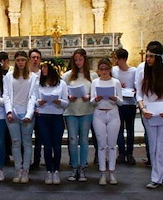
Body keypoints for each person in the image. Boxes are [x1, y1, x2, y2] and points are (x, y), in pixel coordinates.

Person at [62, 49, 98, 182]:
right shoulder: (67, 76)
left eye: (80, 59)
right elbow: (62, 91)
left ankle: (82, 167)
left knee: (83, 139)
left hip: (86, 110)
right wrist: (68, 96)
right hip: (71, 111)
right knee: (72, 139)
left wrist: (89, 96)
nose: (78, 62)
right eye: (76, 60)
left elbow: (96, 92)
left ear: (85, 60)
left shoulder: (92, 76)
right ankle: (74, 167)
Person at [3, 51, 37, 183]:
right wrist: (9, 111)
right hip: (13, 113)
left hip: (27, 113)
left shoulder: (33, 77)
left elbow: (33, 96)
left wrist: (29, 114)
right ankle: (18, 170)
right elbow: (6, 95)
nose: (21, 62)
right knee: (16, 143)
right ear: (15, 61)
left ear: (27, 61)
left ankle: (26, 171)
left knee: (27, 143)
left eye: (23, 60)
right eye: (18, 60)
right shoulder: (9, 76)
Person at [35, 59, 68, 185]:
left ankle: (56, 171)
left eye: (45, 67)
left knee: (57, 145)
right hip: (43, 116)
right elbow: (35, 101)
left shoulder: (62, 84)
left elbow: (66, 103)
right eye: (42, 67)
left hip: (57, 117)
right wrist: (40, 102)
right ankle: (49, 171)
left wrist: (60, 102)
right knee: (47, 145)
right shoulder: (39, 84)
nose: (42, 69)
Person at [91, 58, 123, 185]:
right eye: (101, 69)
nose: (104, 71)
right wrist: (96, 99)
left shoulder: (116, 82)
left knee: (112, 144)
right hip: (99, 113)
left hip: (113, 113)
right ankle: (102, 173)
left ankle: (112, 172)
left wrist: (115, 98)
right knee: (101, 144)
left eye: (106, 69)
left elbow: (121, 102)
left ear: (110, 69)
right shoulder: (95, 82)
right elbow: (91, 101)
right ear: (99, 70)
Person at [137, 41, 163, 189]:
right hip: (148, 112)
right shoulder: (142, 71)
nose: (148, 59)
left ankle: (160, 176)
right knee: (153, 146)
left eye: (151, 56)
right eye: (147, 56)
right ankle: (155, 176)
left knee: (162, 147)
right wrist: (142, 109)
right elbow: (139, 94)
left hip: (162, 112)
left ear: (158, 58)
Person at [111, 49, 137, 165]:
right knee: (119, 130)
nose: (116, 61)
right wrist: (118, 86)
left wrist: (134, 90)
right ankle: (121, 153)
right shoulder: (114, 70)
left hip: (130, 103)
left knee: (130, 130)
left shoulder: (133, 71)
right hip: (119, 104)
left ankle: (130, 154)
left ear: (124, 59)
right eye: (115, 58)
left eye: (118, 59)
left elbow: (137, 85)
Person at [28, 48, 43, 170]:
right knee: (25, 137)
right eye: (33, 57)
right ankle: (25, 160)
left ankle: (37, 160)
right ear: (29, 59)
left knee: (39, 137)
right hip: (26, 109)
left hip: (39, 110)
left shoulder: (43, 74)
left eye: (37, 58)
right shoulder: (25, 74)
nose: (35, 60)